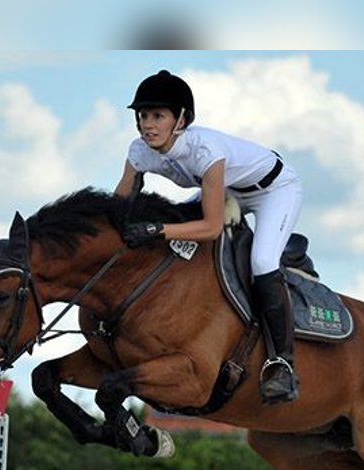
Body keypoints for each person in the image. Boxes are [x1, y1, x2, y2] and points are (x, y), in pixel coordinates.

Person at [115, 69, 302, 405]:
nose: (148, 125)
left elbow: (211, 227)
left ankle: (281, 363)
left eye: (158, 116)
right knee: (173, 221)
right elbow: (118, 205)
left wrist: (157, 230)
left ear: (181, 120)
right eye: (143, 116)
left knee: (262, 261)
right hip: (225, 188)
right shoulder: (139, 151)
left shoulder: (204, 150)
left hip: (273, 189)